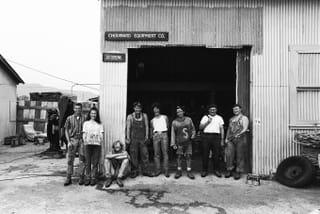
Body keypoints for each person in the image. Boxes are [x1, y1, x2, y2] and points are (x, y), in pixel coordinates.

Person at [126, 102, 153, 178]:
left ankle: (146, 170)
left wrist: (147, 136)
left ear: (141, 108)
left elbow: (147, 126)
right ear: (134, 108)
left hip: (142, 138)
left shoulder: (144, 115)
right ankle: (135, 171)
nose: (138, 109)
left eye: (139, 108)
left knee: (145, 154)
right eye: (136, 107)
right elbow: (128, 128)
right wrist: (128, 138)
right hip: (133, 138)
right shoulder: (130, 117)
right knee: (133, 155)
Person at [225, 104, 249, 180]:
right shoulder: (231, 119)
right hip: (230, 139)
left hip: (240, 139)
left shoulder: (244, 118)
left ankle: (238, 171)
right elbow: (229, 129)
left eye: (237, 109)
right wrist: (226, 138)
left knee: (240, 155)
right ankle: (229, 170)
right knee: (229, 155)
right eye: (234, 109)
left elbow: (245, 128)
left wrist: (239, 134)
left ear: (240, 109)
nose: (235, 110)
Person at [199, 104, 224, 178]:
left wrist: (222, 139)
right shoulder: (205, 117)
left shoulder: (219, 118)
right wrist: (207, 122)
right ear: (208, 110)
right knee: (205, 154)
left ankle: (216, 170)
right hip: (206, 137)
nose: (212, 111)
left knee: (216, 154)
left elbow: (222, 129)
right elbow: (200, 127)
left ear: (216, 110)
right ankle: (204, 170)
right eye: (211, 109)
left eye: (214, 109)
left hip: (216, 137)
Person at [64, 103, 86, 186]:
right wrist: (68, 141)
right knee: (70, 160)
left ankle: (81, 177)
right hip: (72, 140)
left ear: (81, 109)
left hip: (81, 140)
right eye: (76, 108)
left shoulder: (84, 118)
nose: (77, 110)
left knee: (82, 159)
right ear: (74, 109)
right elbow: (66, 130)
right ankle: (68, 177)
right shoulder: (69, 118)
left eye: (79, 108)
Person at [171, 106, 196, 179]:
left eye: (180, 111)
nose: (179, 113)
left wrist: (193, 134)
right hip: (179, 142)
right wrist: (173, 143)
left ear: (183, 112)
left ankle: (189, 171)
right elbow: (173, 133)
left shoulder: (188, 120)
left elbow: (193, 129)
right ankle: (179, 171)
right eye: (178, 112)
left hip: (188, 141)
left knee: (188, 156)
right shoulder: (174, 122)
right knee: (179, 156)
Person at [82, 107, 104, 186]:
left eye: (95, 113)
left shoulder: (99, 124)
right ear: (89, 114)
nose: (93, 115)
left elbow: (101, 134)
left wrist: (100, 138)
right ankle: (87, 177)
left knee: (95, 162)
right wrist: (84, 139)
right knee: (88, 161)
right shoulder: (86, 123)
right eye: (92, 113)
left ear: (96, 115)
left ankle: (93, 177)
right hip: (88, 144)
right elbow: (84, 133)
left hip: (96, 145)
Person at [150, 103, 170, 177]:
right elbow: (152, 129)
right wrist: (155, 134)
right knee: (156, 154)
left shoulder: (165, 117)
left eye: (157, 108)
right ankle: (157, 170)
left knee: (165, 153)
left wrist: (162, 132)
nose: (156, 110)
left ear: (159, 109)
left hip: (164, 134)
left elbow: (167, 126)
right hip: (155, 135)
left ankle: (166, 171)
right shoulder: (152, 120)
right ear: (153, 111)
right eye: (154, 109)